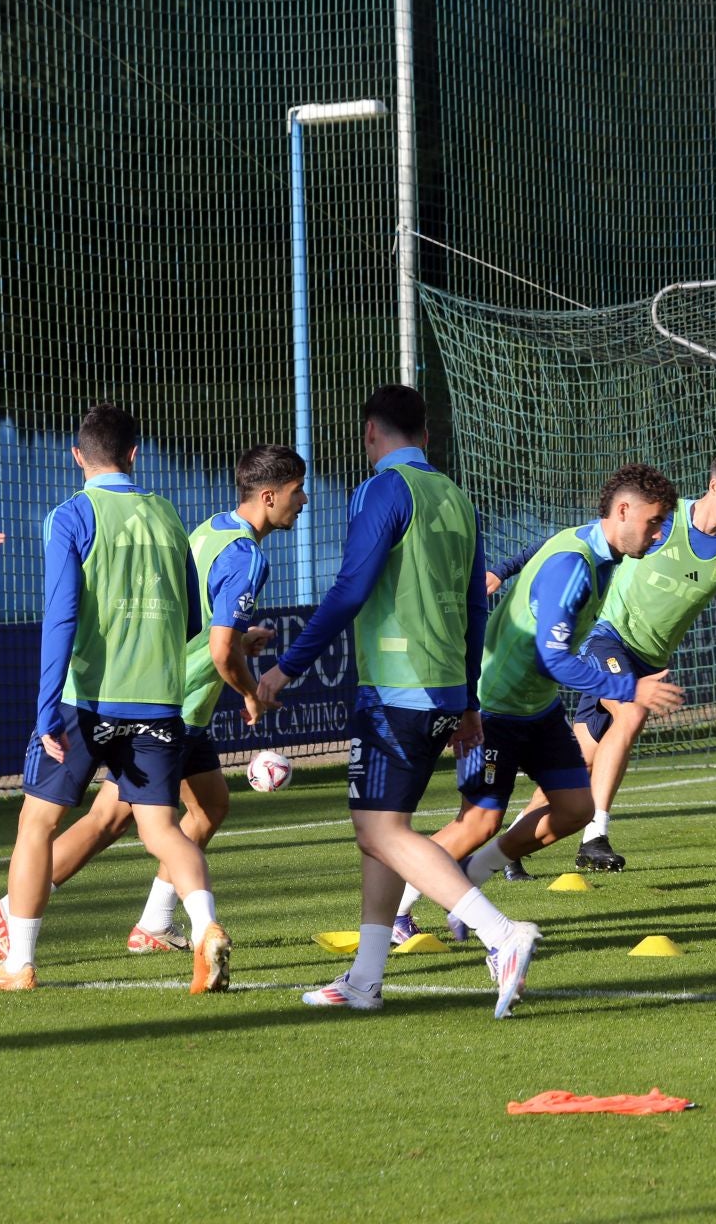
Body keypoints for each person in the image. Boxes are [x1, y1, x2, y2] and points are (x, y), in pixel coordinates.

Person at [257, 385, 539, 1017]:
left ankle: (500, 934)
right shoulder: (457, 497)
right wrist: (466, 699)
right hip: (441, 689)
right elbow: (474, 604)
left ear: (370, 435)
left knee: (379, 829)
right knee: (379, 833)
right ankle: (365, 978)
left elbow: (352, 586)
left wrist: (287, 667)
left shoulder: (382, 490)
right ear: (427, 437)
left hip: (395, 686)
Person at [0, 446, 306, 959]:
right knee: (111, 819)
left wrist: (235, 643)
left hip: (172, 696)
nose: (304, 500)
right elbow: (213, 642)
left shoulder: (206, 529)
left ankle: (153, 922)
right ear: (269, 496)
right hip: (169, 701)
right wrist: (249, 690)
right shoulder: (244, 554)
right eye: (297, 491)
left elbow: (196, 620)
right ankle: (11, 910)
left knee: (208, 806)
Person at [0, 406, 227, 994]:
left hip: (86, 697)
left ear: (77, 456)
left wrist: (47, 708)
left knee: (36, 823)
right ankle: (206, 928)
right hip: (159, 699)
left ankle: (19, 962)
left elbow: (61, 616)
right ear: (134, 454)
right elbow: (193, 616)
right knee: (162, 829)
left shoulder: (71, 514)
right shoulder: (168, 515)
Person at [391, 464, 686, 940]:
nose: (657, 535)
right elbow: (553, 659)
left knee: (576, 809)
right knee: (478, 822)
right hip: (495, 710)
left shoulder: (596, 551)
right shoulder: (573, 565)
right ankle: (396, 914)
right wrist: (631, 689)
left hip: (539, 708)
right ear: (624, 510)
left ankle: (470, 878)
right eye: (653, 522)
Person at [502, 450, 716, 876]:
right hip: (605, 637)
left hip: (649, 659)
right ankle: (595, 835)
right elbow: (578, 538)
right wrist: (505, 568)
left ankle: (510, 846)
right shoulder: (660, 515)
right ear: (714, 486)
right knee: (633, 711)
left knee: (582, 762)